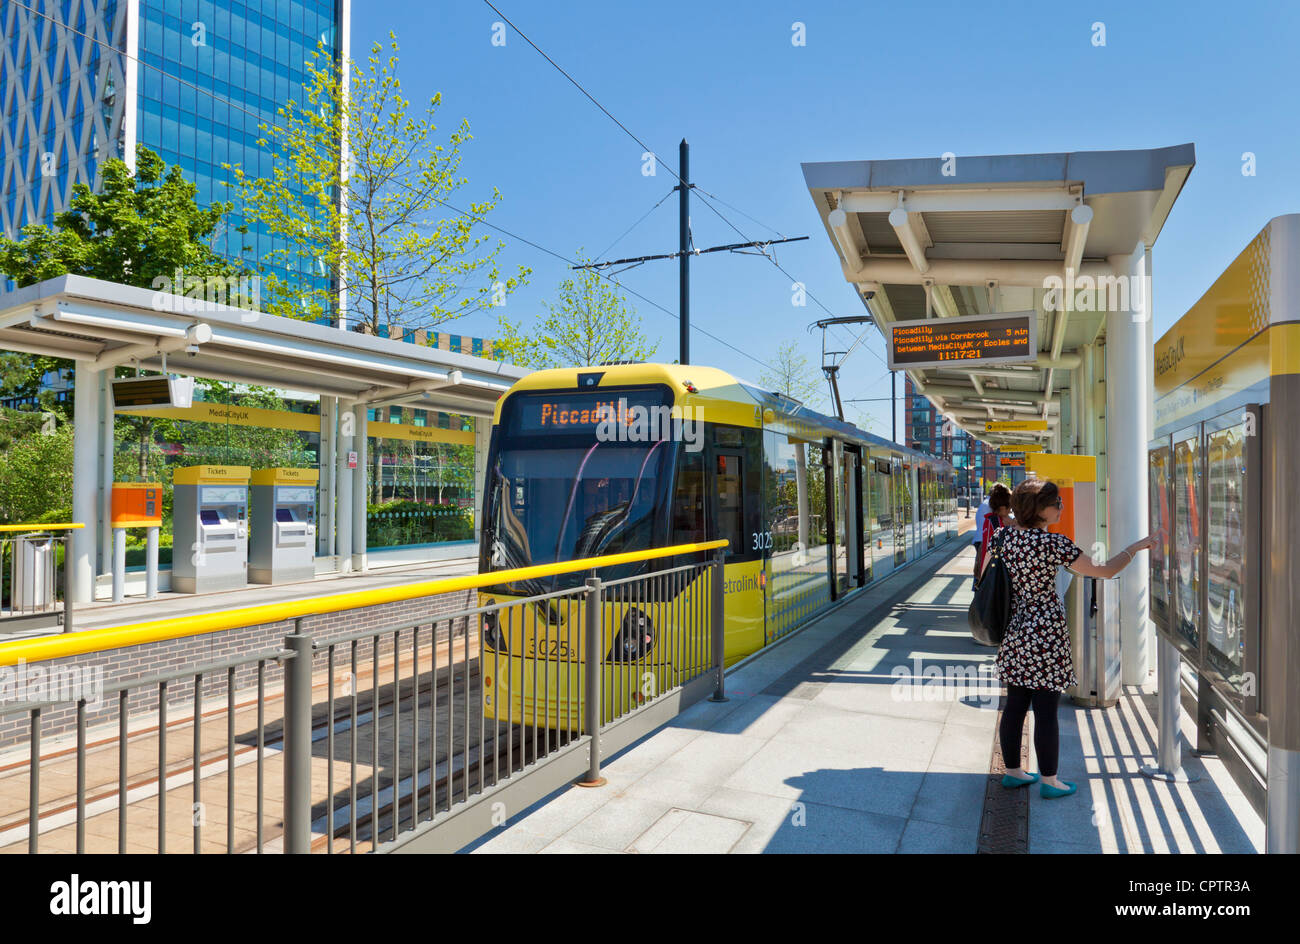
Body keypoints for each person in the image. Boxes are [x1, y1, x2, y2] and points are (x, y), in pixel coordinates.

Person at [979, 478, 1160, 799]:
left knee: (1015, 705)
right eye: (1056, 503)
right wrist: (1134, 548)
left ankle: (1013, 772)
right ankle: (1050, 781)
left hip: (1015, 630)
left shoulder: (1004, 537)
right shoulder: (1053, 544)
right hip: (1045, 634)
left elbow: (986, 576)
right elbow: (1102, 571)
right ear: (1040, 509)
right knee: (1046, 709)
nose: (1061, 507)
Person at [976, 484, 1013, 580]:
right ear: (1003, 507)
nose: (1010, 510)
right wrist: (984, 576)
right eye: (1009, 506)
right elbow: (987, 550)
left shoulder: (999, 520)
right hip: (996, 573)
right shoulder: (993, 522)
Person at [971, 491, 991, 588]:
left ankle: (977, 588)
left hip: (980, 539)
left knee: (979, 567)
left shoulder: (985, 503)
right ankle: (978, 590)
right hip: (984, 540)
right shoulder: (991, 504)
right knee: (982, 568)